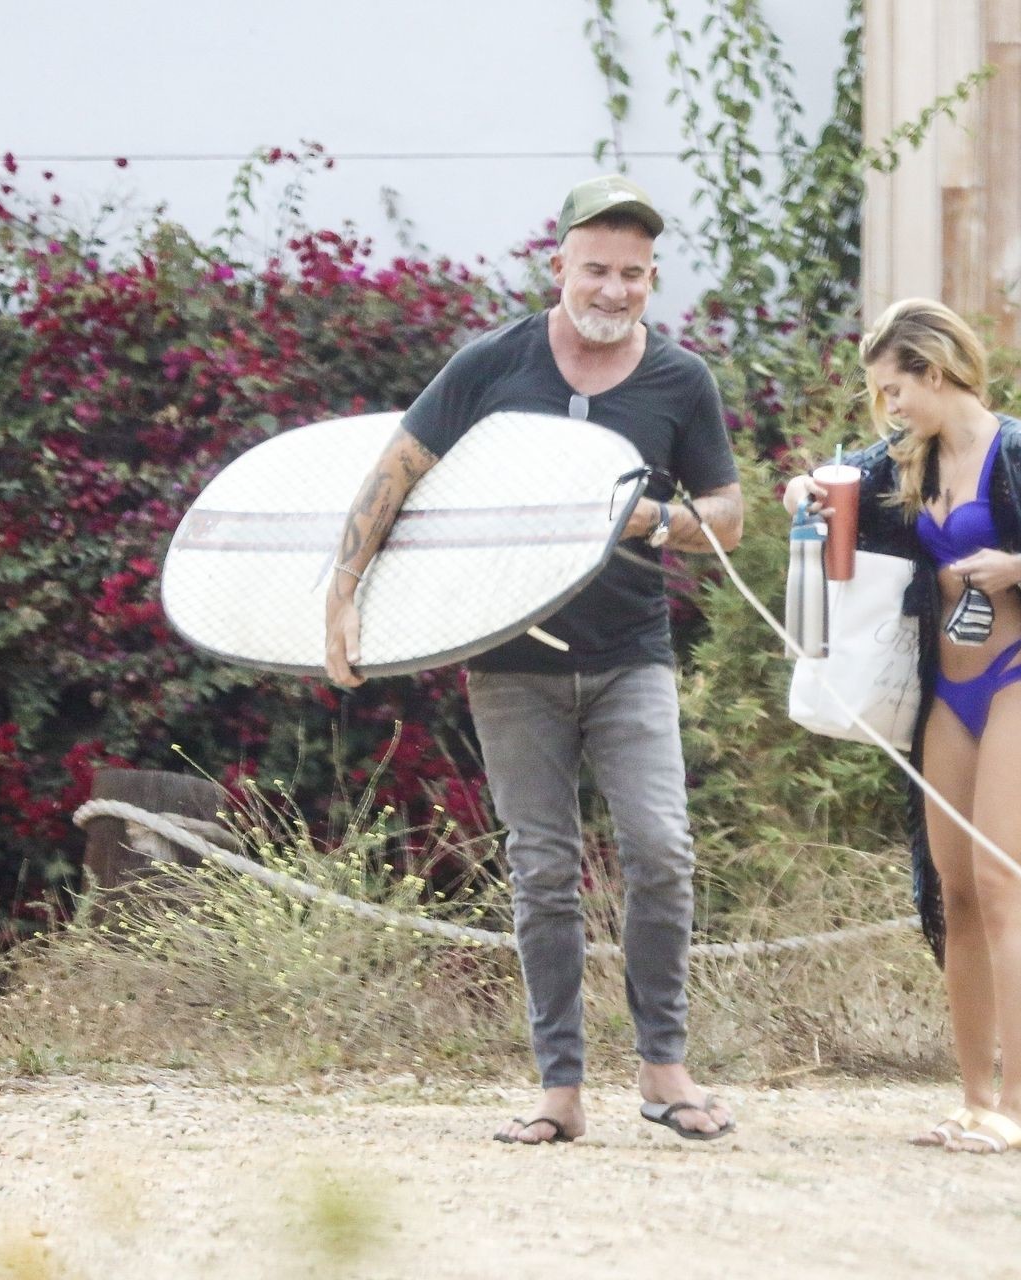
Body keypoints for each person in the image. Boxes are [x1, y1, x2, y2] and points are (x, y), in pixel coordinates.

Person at [325, 175, 745, 1144]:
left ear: (652, 277)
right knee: (544, 869)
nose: (613, 289)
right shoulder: (493, 362)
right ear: (559, 265)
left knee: (661, 850)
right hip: (508, 661)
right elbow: (395, 471)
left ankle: (664, 1068)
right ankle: (560, 1089)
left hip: (631, 652)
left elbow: (727, 514)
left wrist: (657, 519)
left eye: (633, 273)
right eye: (596, 269)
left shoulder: (681, 380)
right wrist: (343, 593)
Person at [783, 298, 1021, 1155]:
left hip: (1020, 682)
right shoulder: (909, 458)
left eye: (894, 389)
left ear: (935, 373)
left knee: (1001, 886)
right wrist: (804, 490)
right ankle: (974, 1101)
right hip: (950, 692)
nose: (888, 408)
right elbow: (839, 484)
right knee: (958, 896)